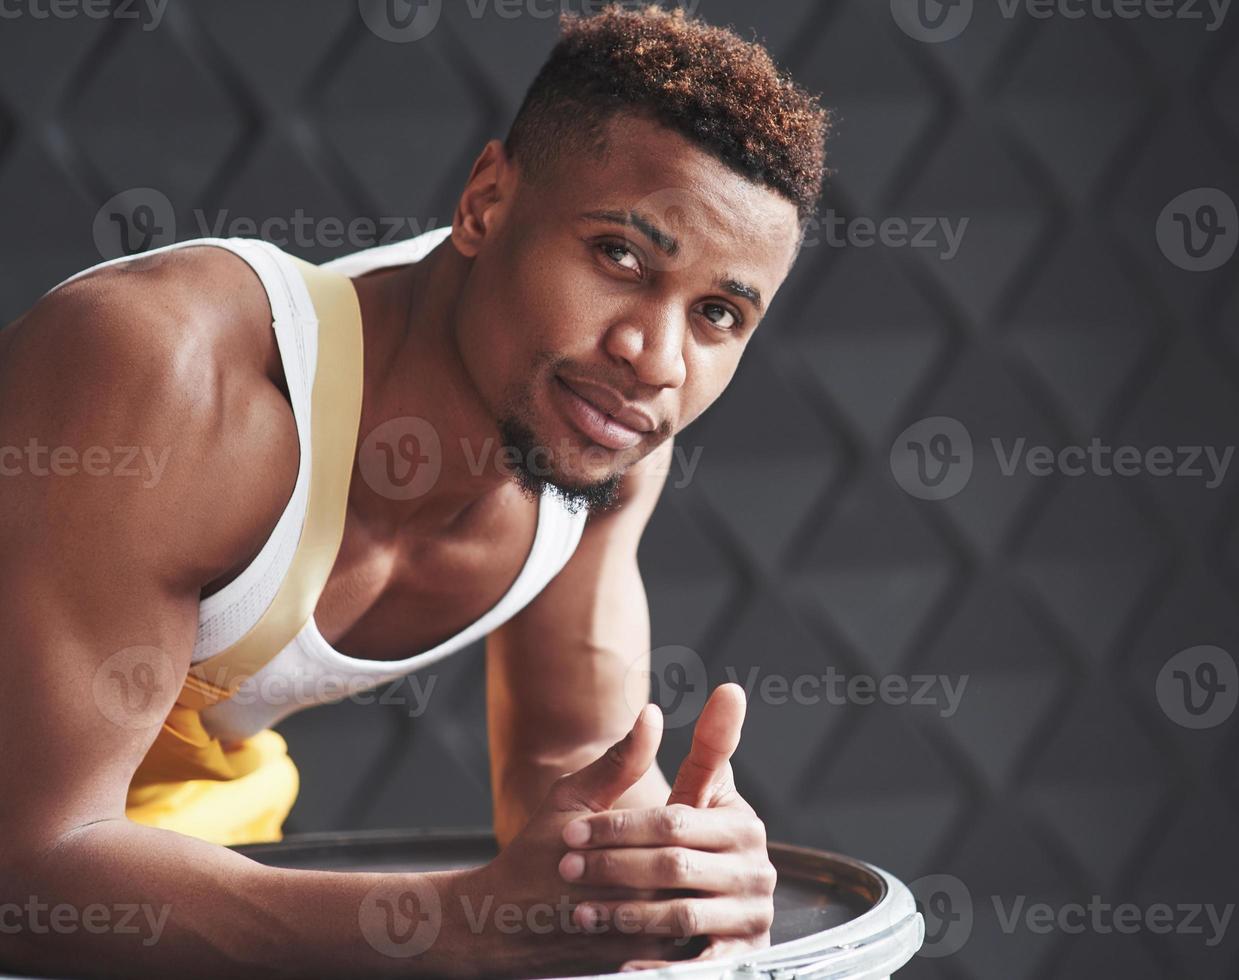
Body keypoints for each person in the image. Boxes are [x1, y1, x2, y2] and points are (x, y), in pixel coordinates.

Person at [0, 5, 830, 975]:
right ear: (484, 201)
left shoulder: (598, 434)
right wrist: (455, 919)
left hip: (179, 848)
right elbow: (26, 869)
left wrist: (665, 877)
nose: (655, 357)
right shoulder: (168, 373)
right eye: (619, 256)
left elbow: (566, 764)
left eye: (719, 313)